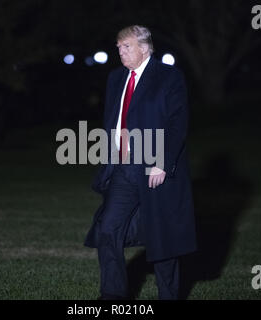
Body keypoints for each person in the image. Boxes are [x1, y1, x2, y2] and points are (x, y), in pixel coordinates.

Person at [84, 25, 196, 300]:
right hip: (124, 168)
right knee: (109, 229)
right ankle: (112, 296)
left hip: (154, 167)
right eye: (119, 47)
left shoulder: (168, 77)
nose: (120, 52)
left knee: (162, 238)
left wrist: (161, 161)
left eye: (127, 47)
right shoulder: (115, 78)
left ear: (144, 48)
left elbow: (177, 122)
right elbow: (114, 119)